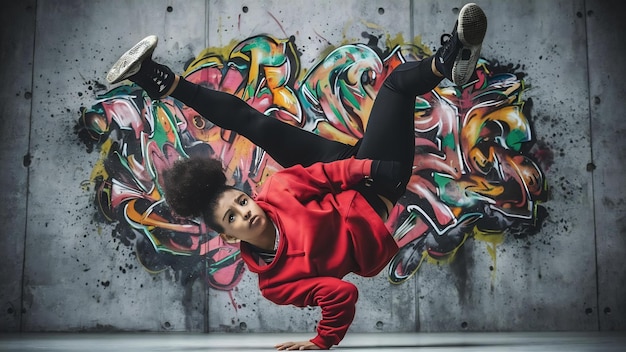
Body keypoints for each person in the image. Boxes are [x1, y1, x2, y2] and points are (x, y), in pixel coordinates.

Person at [106, 3, 487, 350]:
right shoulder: (276, 283)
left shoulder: (278, 190)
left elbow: (326, 175)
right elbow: (340, 294)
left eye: (241, 201)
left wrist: (366, 165)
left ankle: (162, 81)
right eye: (234, 217)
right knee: (397, 85)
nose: (247, 211)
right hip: (377, 190)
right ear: (227, 235)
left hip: (357, 171)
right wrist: (321, 342)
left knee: (255, 125)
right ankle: (449, 63)